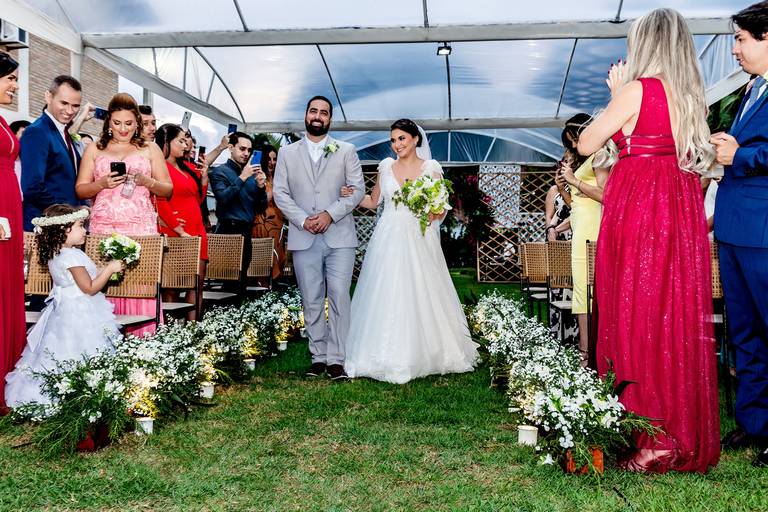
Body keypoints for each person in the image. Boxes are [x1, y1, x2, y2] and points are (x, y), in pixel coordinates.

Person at [577, 8, 719, 473]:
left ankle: (652, 435)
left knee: (634, 314)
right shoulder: (692, 97)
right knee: (670, 317)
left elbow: (586, 143)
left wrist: (616, 96)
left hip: (640, 208)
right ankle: (672, 430)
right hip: (677, 208)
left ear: (647, 43)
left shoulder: (636, 90)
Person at [340, 119, 478, 384]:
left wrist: (432, 210)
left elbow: (440, 210)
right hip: (388, 236)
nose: (396, 144)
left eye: (401, 138)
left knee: (422, 288)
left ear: (415, 139)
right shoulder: (385, 167)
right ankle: (381, 351)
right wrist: (352, 195)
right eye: (393, 140)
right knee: (387, 288)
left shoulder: (431, 168)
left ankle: (428, 350)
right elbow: (373, 202)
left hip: (418, 236)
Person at [711, 1, 768, 468]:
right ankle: (755, 424)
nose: (734, 49)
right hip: (733, 231)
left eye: (741, 39)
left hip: (763, 232)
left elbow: (755, 154)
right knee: (744, 334)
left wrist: (740, 156)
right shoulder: (753, 89)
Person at [272, 95, 364, 380]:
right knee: (311, 297)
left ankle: (337, 358)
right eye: (313, 111)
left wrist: (329, 215)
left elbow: (357, 190)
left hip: (340, 237)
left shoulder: (346, 150)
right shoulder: (287, 153)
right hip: (303, 236)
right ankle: (318, 357)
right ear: (306, 115)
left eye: (324, 113)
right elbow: (280, 193)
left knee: (339, 296)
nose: (318, 116)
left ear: (330, 119)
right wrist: (302, 219)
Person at [4, 205, 122, 408]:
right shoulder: (71, 256)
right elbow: (89, 288)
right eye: (80, 226)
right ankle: (82, 393)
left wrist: (103, 270)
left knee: (58, 350)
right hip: (81, 311)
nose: (84, 230)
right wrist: (110, 269)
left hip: (64, 310)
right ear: (63, 230)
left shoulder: (60, 253)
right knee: (81, 350)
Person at [75, 93, 172, 336]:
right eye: (117, 123)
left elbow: (168, 189)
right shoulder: (94, 149)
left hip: (140, 228)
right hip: (103, 228)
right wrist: (102, 184)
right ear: (108, 121)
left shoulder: (150, 148)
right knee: (104, 283)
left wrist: (146, 181)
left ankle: (143, 345)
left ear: (137, 122)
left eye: (128, 123)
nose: (123, 129)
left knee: (141, 286)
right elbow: (80, 189)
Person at [556, 113, 609, 366]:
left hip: (592, 229)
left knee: (589, 291)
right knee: (581, 292)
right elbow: (577, 204)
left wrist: (574, 180)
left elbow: (606, 194)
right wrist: (565, 188)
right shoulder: (584, 159)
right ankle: (585, 351)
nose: (574, 146)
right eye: (571, 143)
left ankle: (589, 354)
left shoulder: (600, 156)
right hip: (580, 228)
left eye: (575, 140)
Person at [155, 123, 209, 320]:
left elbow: (198, 200)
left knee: (197, 284)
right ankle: (172, 332)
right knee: (171, 286)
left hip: (197, 229)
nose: (186, 145)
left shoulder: (187, 167)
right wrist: (176, 227)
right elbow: (160, 201)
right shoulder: (160, 167)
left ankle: (193, 330)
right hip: (174, 232)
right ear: (167, 142)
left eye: (186, 141)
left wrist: (204, 179)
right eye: (181, 141)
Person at [20, 75, 83, 231]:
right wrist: (69, 212)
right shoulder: (37, 132)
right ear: (48, 97)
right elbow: (33, 187)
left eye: (75, 106)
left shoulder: (63, 132)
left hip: (64, 225)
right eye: (64, 103)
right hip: (44, 224)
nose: (70, 111)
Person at [209, 132, 268, 291]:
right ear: (230, 147)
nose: (246, 153)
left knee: (241, 283)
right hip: (228, 231)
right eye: (242, 149)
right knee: (228, 284)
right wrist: (242, 177)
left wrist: (261, 187)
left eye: (249, 150)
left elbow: (260, 208)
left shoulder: (251, 175)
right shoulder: (219, 171)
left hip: (246, 231)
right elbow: (223, 199)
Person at [0, 51, 26, 412]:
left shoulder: (3, 120)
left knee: (8, 287)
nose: (15, 85)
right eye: (10, 78)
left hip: (10, 208)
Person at [543, 167, 577, 345]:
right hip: (557, 239)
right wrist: (551, 231)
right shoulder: (553, 190)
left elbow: (576, 210)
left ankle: (575, 335)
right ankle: (557, 333)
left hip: (575, 237)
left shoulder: (579, 190)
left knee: (573, 286)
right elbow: (548, 216)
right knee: (557, 287)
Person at [252, 145, 286, 282]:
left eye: (274, 159)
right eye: (268, 159)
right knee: (265, 256)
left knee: (279, 255)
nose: (272, 162)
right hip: (263, 221)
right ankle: (262, 286)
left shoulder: (280, 178)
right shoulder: (257, 177)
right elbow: (258, 201)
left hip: (278, 221)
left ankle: (273, 287)